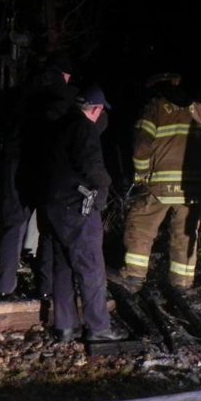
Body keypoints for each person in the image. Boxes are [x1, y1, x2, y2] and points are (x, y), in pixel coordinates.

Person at [117, 72, 201, 292]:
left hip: (160, 186)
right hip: (194, 188)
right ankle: (182, 284)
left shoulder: (154, 108)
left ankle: (134, 277)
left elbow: (141, 147)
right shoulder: (200, 110)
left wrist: (140, 175)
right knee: (185, 235)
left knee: (141, 227)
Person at [41, 84, 127, 342]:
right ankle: (98, 328)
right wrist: (106, 185)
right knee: (91, 268)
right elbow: (93, 168)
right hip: (78, 209)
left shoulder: (58, 126)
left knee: (64, 268)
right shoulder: (84, 129)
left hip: (54, 208)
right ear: (97, 109)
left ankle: (65, 327)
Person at [0, 53, 77, 299]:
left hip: (15, 164)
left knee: (14, 224)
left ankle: (5, 287)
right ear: (65, 75)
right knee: (49, 228)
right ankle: (45, 289)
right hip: (45, 169)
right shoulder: (64, 95)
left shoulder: (23, 90)